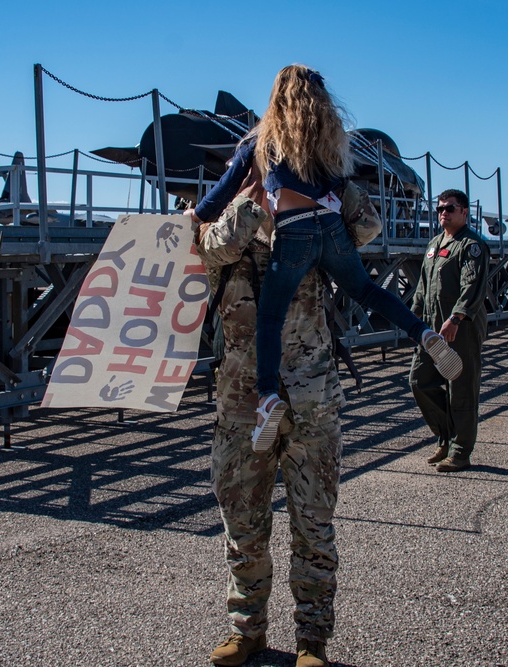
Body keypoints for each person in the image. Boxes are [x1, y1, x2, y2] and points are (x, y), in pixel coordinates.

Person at [187, 63, 455, 452]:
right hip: (331, 228)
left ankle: (266, 399)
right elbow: (344, 192)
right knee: (365, 289)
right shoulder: (325, 141)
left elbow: (216, 199)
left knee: (270, 315)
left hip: (293, 233)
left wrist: (191, 217)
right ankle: (424, 334)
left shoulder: (262, 142)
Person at [193, 175, 343, 667]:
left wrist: (325, 172)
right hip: (241, 400)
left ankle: (312, 640)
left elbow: (364, 229)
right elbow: (211, 248)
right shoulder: (230, 215)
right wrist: (255, 188)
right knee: (242, 522)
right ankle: (247, 630)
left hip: (309, 398)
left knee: (313, 523)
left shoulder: (318, 216)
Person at [409, 188, 490, 472]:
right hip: (431, 327)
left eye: (450, 208)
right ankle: (445, 435)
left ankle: (460, 451)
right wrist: (412, 318)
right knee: (419, 381)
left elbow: (473, 286)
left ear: (464, 212)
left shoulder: (472, 245)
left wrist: (456, 318)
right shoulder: (433, 244)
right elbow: (422, 285)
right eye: (440, 209)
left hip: (459, 327)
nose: (444, 213)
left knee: (461, 389)